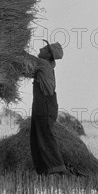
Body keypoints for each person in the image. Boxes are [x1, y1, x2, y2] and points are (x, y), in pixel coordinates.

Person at [27, 40, 68, 175]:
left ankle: (58, 169)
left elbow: (25, 59)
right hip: (44, 106)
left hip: (44, 107)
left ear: (48, 54)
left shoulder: (43, 64)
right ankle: (44, 170)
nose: (41, 48)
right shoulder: (45, 65)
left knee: (45, 137)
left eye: (44, 48)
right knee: (37, 137)